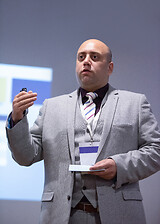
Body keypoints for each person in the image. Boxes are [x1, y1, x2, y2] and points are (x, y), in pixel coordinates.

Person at [6, 39, 160, 224]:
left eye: (94, 57)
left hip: (119, 213)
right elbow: (25, 156)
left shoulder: (135, 103)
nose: (86, 61)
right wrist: (17, 119)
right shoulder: (51, 107)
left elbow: (156, 150)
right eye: (81, 57)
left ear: (109, 67)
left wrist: (119, 166)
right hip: (62, 216)